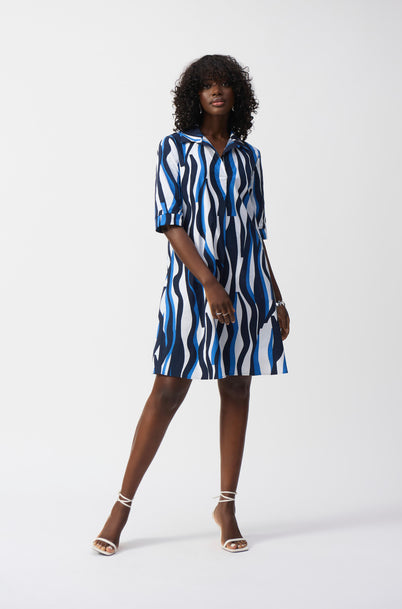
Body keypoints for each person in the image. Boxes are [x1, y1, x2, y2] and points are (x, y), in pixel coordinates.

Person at [92, 54, 290, 556]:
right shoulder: (175, 148)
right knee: (167, 390)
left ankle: (227, 507)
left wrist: (276, 295)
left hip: (247, 287)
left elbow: (256, 231)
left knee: (237, 386)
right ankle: (121, 508)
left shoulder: (249, 156)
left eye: (224, 84)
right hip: (192, 287)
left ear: (237, 94)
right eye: (207, 85)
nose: (216, 91)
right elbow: (171, 221)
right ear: (195, 95)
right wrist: (208, 283)